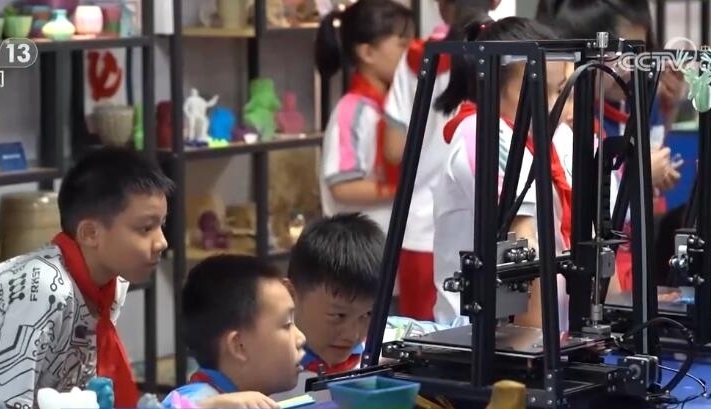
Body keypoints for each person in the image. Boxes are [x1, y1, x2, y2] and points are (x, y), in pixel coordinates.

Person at [0, 146, 173, 408]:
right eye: (145, 228)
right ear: (90, 234)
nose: (162, 242)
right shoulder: (44, 290)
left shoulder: (112, 284)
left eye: (161, 225)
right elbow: (7, 402)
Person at [431, 17, 571, 328]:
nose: (554, 106)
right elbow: (523, 250)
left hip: (547, 330)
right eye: (537, 91)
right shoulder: (484, 134)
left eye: (560, 91)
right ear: (492, 87)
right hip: (489, 336)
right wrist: (538, 346)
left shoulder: (551, 137)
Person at [537, 0, 684, 294]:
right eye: (625, 53)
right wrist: (641, 176)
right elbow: (586, 211)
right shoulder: (571, 124)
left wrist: (669, 109)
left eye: (641, 52)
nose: (632, 67)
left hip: (629, 264)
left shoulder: (629, 103)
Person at [381, 0, 500, 321]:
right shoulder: (510, 49)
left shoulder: (418, 56)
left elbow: (394, 149)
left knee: (423, 341)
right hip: (491, 229)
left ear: (439, 4)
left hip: (422, 227)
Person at [314, 0, 414, 235]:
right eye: (403, 45)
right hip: (360, 245)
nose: (411, 53)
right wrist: (407, 189)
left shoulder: (392, 105)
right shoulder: (352, 110)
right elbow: (342, 187)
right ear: (367, 52)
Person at [163, 255, 306, 409]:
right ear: (239, 346)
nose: (301, 338)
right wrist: (212, 405)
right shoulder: (202, 397)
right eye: (286, 324)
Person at [288, 213, 384, 375]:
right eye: (338, 315)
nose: (353, 334)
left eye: (368, 314)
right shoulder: (261, 369)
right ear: (292, 295)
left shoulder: (385, 347)